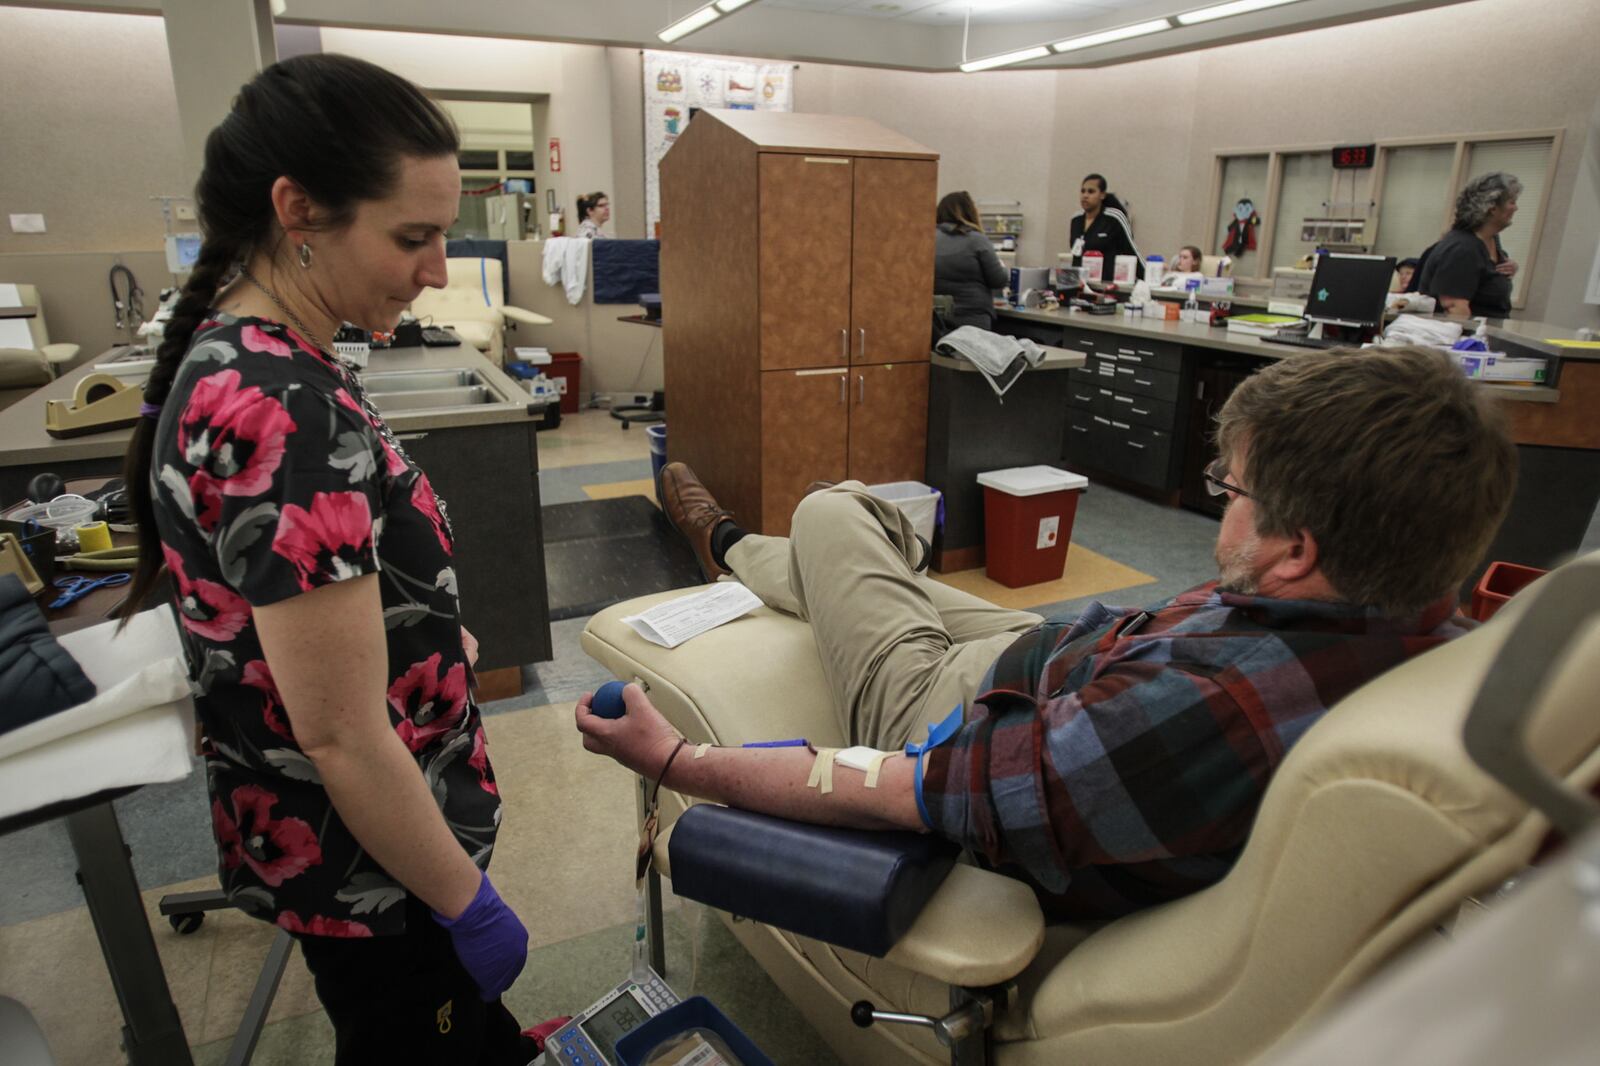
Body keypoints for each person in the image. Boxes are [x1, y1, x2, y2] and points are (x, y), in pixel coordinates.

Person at [578, 347, 1516, 920]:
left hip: (949, 705)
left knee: (832, 508)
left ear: (1297, 552)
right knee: (854, 558)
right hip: (1076, 651)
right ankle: (793, 561)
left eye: (1231, 493)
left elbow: (906, 787)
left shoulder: (1185, 719)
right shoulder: (1433, 619)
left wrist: (677, 764)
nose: (1222, 507)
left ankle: (736, 545)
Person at [118, 55, 538, 1063]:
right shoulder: (288, 407)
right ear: (298, 209)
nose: (438, 268)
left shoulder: (246, 357)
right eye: (413, 236)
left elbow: (295, 608)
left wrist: (423, 631)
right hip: (376, 866)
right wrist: (462, 900)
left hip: (336, 844)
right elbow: (342, 735)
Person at [1417, 172, 1521, 318]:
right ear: (1492, 208)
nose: (1516, 208)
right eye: (1511, 202)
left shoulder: (1491, 241)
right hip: (1465, 337)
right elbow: (1453, 308)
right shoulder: (1463, 249)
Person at [933, 190, 1008, 331]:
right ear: (970, 211)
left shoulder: (926, 238)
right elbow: (999, 280)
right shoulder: (976, 240)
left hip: (936, 321)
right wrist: (1003, 267)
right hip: (973, 321)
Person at [1069, 173, 1142, 281]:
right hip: (1080, 283)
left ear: (1102, 195)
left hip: (1107, 285)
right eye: (1083, 191)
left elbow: (1132, 251)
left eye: (1091, 191)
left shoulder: (1114, 218)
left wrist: (1149, 281)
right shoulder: (1076, 219)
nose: (1085, 195)